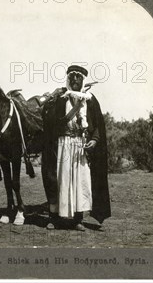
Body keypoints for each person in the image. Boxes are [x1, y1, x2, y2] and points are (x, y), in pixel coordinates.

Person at [41, 65, 111, 231]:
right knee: (60, 181)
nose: (74, 80)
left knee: (79, 182)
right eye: (71, 77)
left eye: (78, 77)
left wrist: (94, 140)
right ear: (68, 80)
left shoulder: (90, 100)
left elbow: (97, 126)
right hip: (62, 145)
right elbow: (53, 123)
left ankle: (77, 219)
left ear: (83, 80)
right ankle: (54, 218)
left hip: (81, 145)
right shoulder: (61, 98)